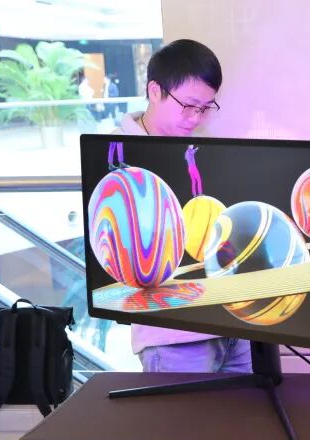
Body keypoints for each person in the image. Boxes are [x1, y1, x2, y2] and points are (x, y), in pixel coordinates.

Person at [112, 39, 251, 374]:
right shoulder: (115, 156)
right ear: (155, 91)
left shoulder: (202, 147)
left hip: (235, 325)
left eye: (205, 107)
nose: (195, 117)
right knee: (181, 412)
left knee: (249, 409)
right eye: (188, 105)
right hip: (172, 336)